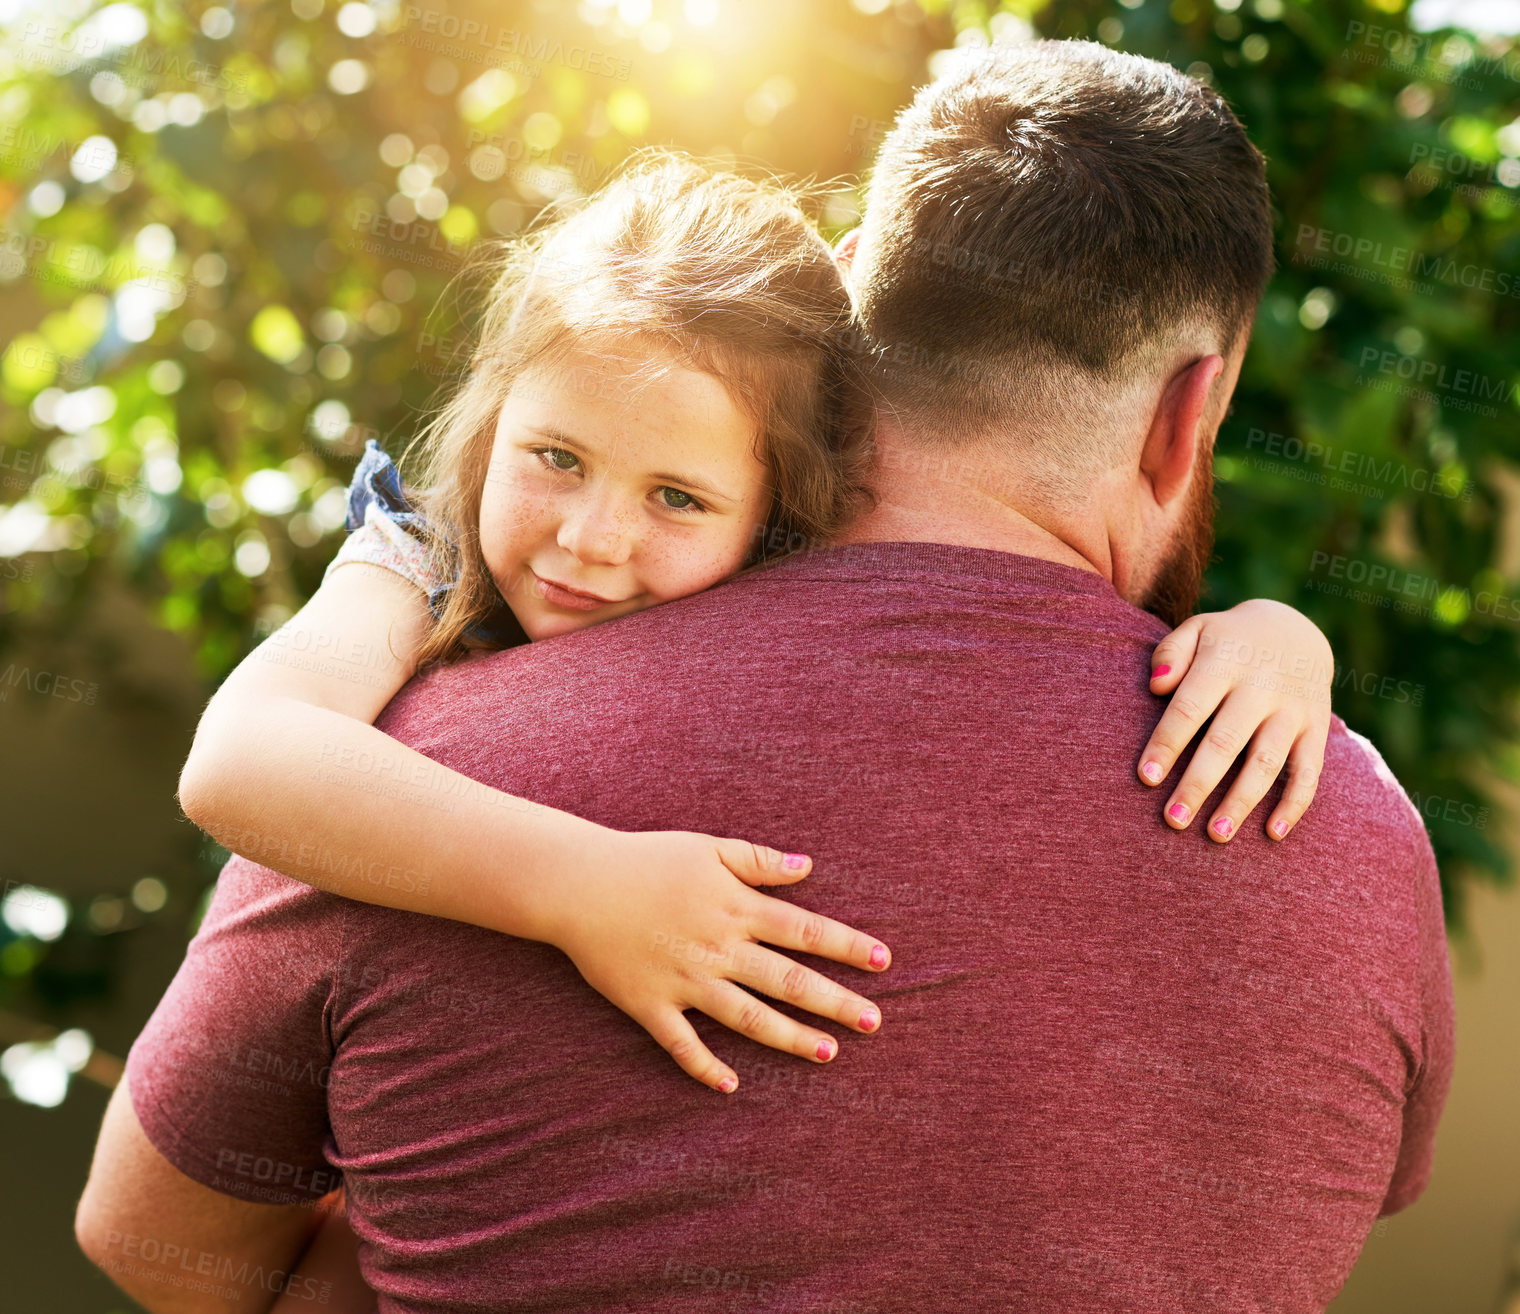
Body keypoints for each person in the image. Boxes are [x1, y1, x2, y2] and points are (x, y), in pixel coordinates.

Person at [77, 39, 1454, 1314]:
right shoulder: (1340, 819)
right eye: (555, 456)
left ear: (843, 343)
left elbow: (158, 1244)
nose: (598, 542)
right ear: (1192, 413)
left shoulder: (417, 758)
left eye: (675, 493)